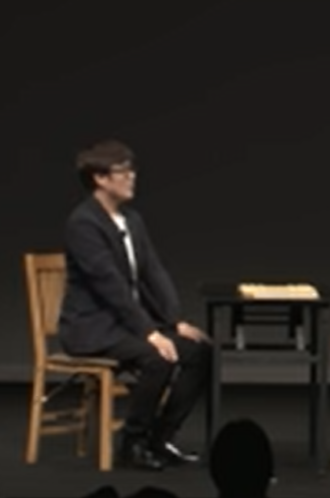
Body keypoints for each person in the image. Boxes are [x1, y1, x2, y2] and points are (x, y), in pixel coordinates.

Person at [58, 139, 212, 471]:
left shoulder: (132, 220)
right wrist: (150, 332)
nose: (132, 177)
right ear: (100, 178)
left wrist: (173, 320)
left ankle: (160, 438)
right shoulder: (84, 223)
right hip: (93, 328)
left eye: (132, 170)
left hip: (125, 325)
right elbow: (110, 287)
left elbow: (153, 272)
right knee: (157, 356)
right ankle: (133, 443)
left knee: (199, 351)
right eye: (123, 171)